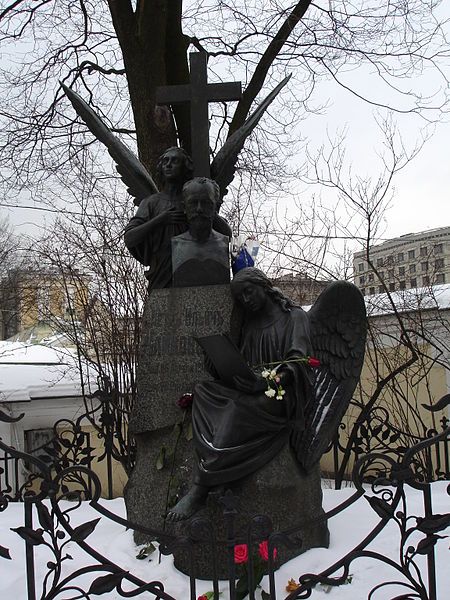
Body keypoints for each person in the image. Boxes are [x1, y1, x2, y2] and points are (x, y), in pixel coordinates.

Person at [167, 267, 314, 520]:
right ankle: (221, 466)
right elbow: (243, 365)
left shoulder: (295, 317)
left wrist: (269, 380)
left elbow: (299, 362)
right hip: (253, 389)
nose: (246, 300)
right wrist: (216, 357)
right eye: (241, 297)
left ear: (264, 286)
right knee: (203, 391)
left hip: (279, 395)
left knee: (235, 410)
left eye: (249, 292)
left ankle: (200, 489)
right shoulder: (250, 323)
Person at [124, 147, 231, 289]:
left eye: (175, 161)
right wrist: (160, 220)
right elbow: (130, 238)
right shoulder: (151, 203)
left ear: (185, 167)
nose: (168, 165)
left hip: (193, 266)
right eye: (165, 161)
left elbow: (226, 234)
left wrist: (207, 208)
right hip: (162, 272)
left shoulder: (195, 200)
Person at [171, 177, 230, 287]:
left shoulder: (225, 244)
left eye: (206, 203)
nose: (199, 209)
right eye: (193, 203)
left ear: (216, 207)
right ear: (184, 207)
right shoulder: (176, 244)